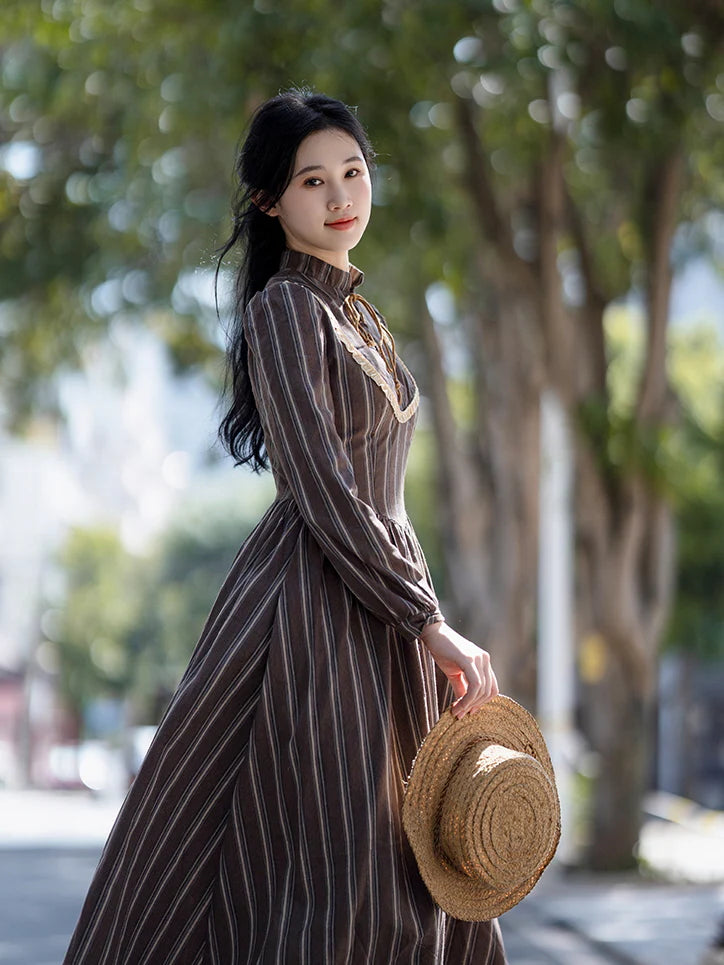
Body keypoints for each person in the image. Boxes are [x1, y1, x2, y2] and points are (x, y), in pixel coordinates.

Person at [63, 88, 506, 965]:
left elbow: (382, 497)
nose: (342, 196)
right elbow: (322, 485)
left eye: (353, 171)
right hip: (313, 609)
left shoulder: (357, 313)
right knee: (342, 867)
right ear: (271, 201)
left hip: (379, 603)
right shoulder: (286, 311)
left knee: (408, 857)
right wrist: (430, 622)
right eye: (313, 180)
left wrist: (418, 617)